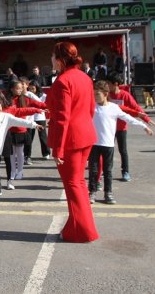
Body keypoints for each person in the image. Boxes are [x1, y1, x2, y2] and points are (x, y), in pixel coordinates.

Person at [47, 41, 99, 243]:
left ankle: (82, 230)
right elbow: (91, 108)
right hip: (85, 135)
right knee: (79, 184)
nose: (51, 59)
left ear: (60, 60)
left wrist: (57, 149)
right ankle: (78, 226)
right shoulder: (85, 77)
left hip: (70, 140)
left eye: (53, 56)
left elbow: (62, 119)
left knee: (73, 185)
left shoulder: (62, 82)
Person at [88, 81, 153, 205]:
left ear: (106, 94)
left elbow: (128, 118)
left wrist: (143, 126)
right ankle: (92, 192)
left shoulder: (113, 108)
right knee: (93, 170)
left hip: (108, 145)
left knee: (108, 170)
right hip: (94, 144)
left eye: (97, 94)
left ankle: (108, 193)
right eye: (94, 94)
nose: (95, 97)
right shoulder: (91, 107)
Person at [106, 75, 144, 182]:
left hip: (121, 127)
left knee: (123, 150)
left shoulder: (124, 95)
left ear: (115, 84)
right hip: (109, 127)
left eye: (108, 84)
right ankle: (107, 170)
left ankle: (125, 171)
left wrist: (144, 117)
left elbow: (135, 107)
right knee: (109, 150)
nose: (107, 86)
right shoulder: (107, 95)